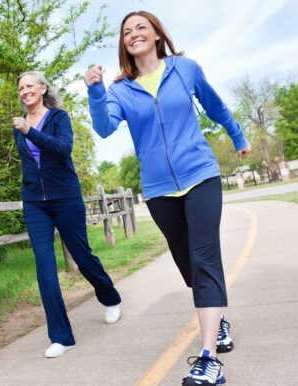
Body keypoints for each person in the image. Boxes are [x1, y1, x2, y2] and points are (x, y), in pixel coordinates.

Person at [84, 11, 251, 386]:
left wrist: (238, 137)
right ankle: (218, 318)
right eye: (127, 32)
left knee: (204, 257)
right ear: (123, 44)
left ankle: (209, 360)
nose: (134, 34)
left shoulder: (185, 69)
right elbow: (105, 128)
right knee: (187, 262)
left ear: (157, 34)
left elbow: (216, 106)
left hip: (200, 175)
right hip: (159, 189)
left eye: (141, 27)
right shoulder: (121, 90)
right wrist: (95, 91)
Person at [12, 71, 122, 359]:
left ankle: (109, 297)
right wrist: (26, 195)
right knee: (44, 266)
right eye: (20, 88)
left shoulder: (59, 118)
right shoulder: (19, 126)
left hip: (66, 198)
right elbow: (28, 164)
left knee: (82, 256)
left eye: (29, 86)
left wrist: (29, 131)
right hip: (36, 203)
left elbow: (63, 150)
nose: (24, 91)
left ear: (43, 88)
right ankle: (61, 336)